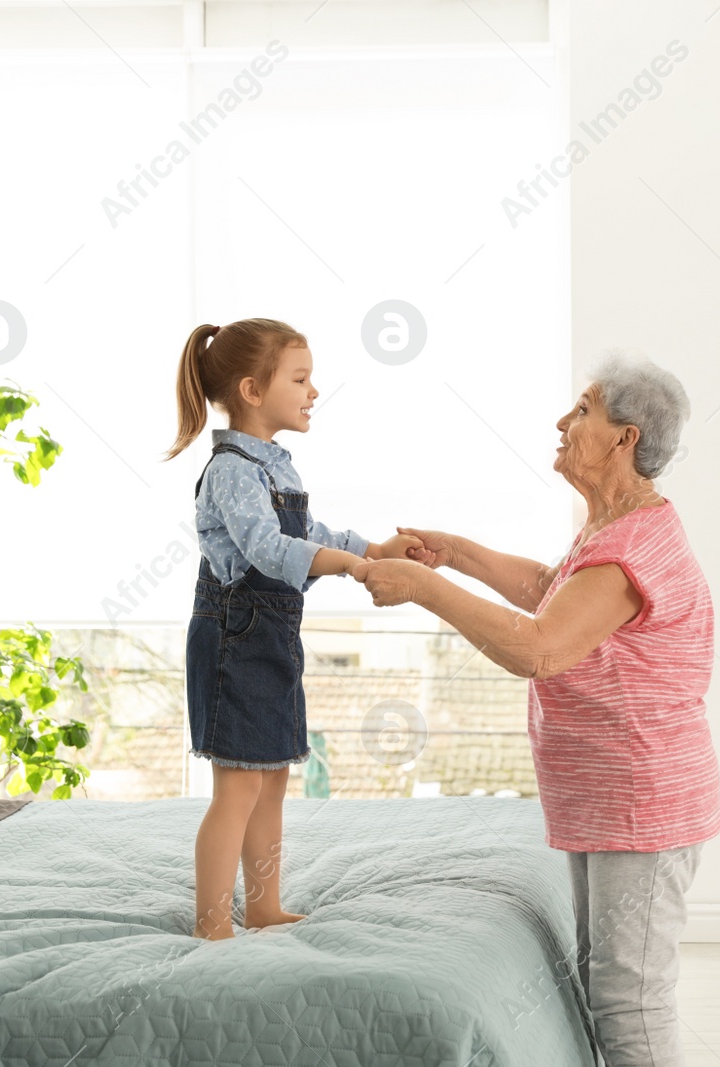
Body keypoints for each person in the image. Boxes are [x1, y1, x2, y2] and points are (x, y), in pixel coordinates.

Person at [351, 347, 720, 1067]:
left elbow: (543, 648)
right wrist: (452, 553)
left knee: (630, 999)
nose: (562, 420)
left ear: (625, 438)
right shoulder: (613, 528)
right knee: (604, 981)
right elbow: (553, 588)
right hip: (610, 796)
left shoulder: (630, 551)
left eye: (582, 409)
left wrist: (424, 588)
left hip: (641, 802)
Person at [164, 317, 421, 941]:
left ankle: (264, 904)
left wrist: (373, 547)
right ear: (253, 390)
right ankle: (208, 924)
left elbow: (310, 534)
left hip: (271, 635)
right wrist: (350, 567)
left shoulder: (274, 466)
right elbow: (265, 547)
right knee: (238, 786)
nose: (313, 392)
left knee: (273, 778)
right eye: (301, 379)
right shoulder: (231, 469)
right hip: (235, 635)